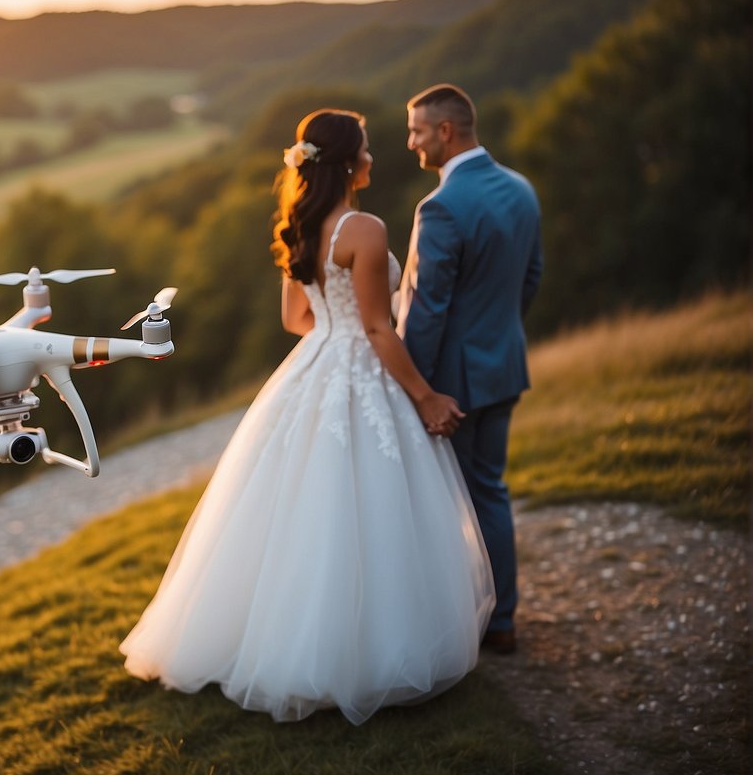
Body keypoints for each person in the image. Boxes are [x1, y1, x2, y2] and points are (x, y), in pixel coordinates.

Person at [119, 108, 495, 724]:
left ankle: (276, 644)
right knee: (369, 506)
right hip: (357, 364)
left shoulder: (301, 225)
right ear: (350, 162)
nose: (374, 157)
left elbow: (297, 320)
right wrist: (425, 396)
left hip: (313, 363)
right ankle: (368, 652)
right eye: (367, 148)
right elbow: (377, 327)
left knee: (299, 508)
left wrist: (335, 329)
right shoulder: (364, 230)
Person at [397, 84, 543, 655]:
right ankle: (500, 619)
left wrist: (417, 388)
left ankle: (461, 622)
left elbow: (428, 309)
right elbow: (531, 276)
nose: (410, 142)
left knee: (447, 502)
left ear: (445, 132)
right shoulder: (521, 189)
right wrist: (497, 336)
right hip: (504, 366)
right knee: (490, 491)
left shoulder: (440, 206)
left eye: (416, 131)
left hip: (451, 384)